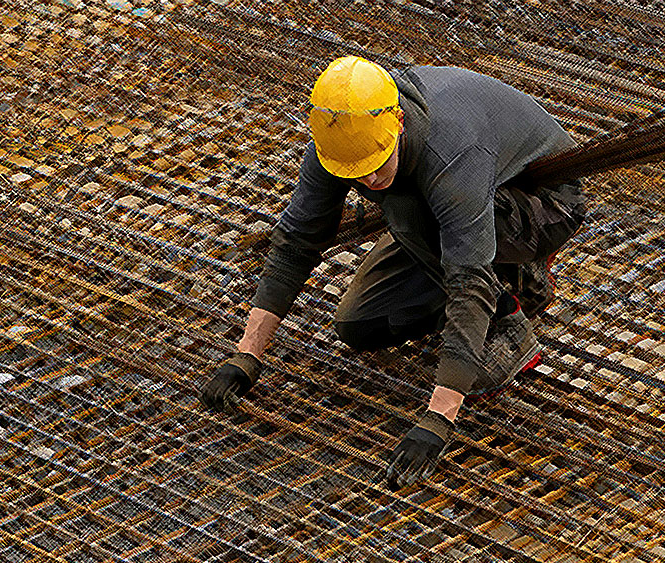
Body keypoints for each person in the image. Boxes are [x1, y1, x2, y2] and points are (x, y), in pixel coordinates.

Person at [201, 56, 586, 491]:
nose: (367, 177)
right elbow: (295, 241)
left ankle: (509, 316)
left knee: (408, 210)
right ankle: (506, 271)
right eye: (355, 173)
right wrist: (247, 355)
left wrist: (438, 418)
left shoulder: (453, 150)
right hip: (448, 206)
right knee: (360, 325)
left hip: (543, 202)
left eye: (376, 163)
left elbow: (468, 279)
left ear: (399, 122)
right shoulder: (340, 140)